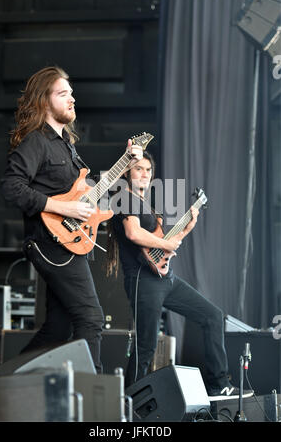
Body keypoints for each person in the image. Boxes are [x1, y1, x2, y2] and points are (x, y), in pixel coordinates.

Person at [0, 66, 143, 373]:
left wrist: (126, 163)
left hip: (67, 243)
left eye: (72, 93)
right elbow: (11, 187)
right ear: (43, 101)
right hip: (51, 242)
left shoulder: (67, 144)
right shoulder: (36, 141)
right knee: (91, 319)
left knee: (58, 329)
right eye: (63, 94)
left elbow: (82, 194)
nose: (72, 99)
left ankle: (2, 380)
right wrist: (64, 209)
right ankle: (95, 401)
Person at [106, 151, 250, 397]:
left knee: (212, 316)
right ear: (128, 173)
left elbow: (164, 245)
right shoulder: (125, 199)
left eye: (148, 170)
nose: (144, 174)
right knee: (146, 347)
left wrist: (188, 226)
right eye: (138, 168)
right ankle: (128, 405)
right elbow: (134, 234)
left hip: (165, 278)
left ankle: (220, 384)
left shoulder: (147, 205)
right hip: (143, 280)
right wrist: (167, 244)